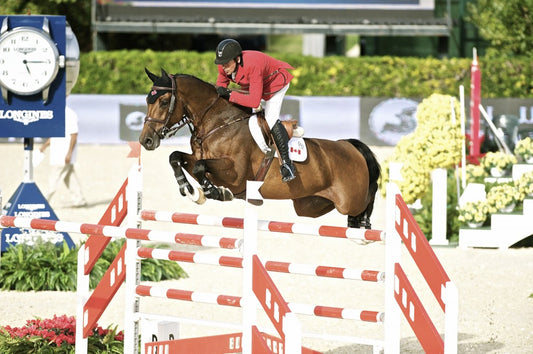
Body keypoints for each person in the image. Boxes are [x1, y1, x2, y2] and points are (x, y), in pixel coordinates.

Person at [214, 38, 297, 183]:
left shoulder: (253, 65)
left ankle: (287, 164)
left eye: (227, 63)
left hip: (275, 85)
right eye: (222, 63)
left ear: (238, 59)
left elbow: (254, 101)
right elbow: (221, 87)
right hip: (253, 85)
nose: (224, 67)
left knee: (270, 119)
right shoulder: (223, 66)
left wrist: (229, 94)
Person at [39, 105, 87, 207]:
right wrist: (44, 147)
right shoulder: (57, 112)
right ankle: (79, 200)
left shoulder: (70, 114)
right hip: (58, 153)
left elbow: (74, 135)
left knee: (54, 178)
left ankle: (44, 200)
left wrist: (69, 153)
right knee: (69, 177)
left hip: (63, 155)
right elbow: (55, 135)